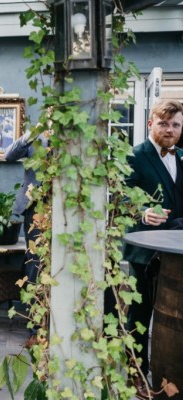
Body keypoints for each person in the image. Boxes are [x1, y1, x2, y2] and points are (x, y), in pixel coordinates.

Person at [124, 99, 183, 400]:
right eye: (164, 123)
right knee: (140, 314)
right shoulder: (134, 155)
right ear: (150, 123)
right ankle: (135, 374)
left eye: (175, 125)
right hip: (144, 251)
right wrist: (142, 212)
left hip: (176, 255)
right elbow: (120, 199)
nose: (170, 130)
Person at [4, 125, 50, 348]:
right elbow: (9, 155)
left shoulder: (75, 136)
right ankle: (35, 330)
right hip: (35, 210)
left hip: (65, 210)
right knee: (35, 267)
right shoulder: (36, 137)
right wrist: (32, 133)